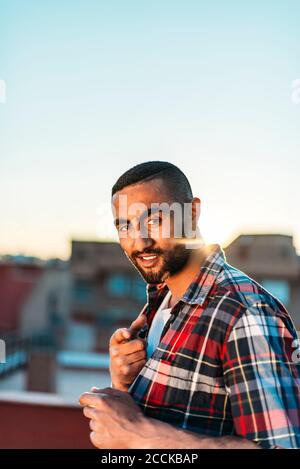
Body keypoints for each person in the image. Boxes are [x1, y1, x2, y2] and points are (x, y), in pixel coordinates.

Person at [80, 161, 300, 449]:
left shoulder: (245, 312)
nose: (139, 241)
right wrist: (126, 385)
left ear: (192, 213)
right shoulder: (161, 303)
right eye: (125, 226)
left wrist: (140, 435)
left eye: (154, 220)